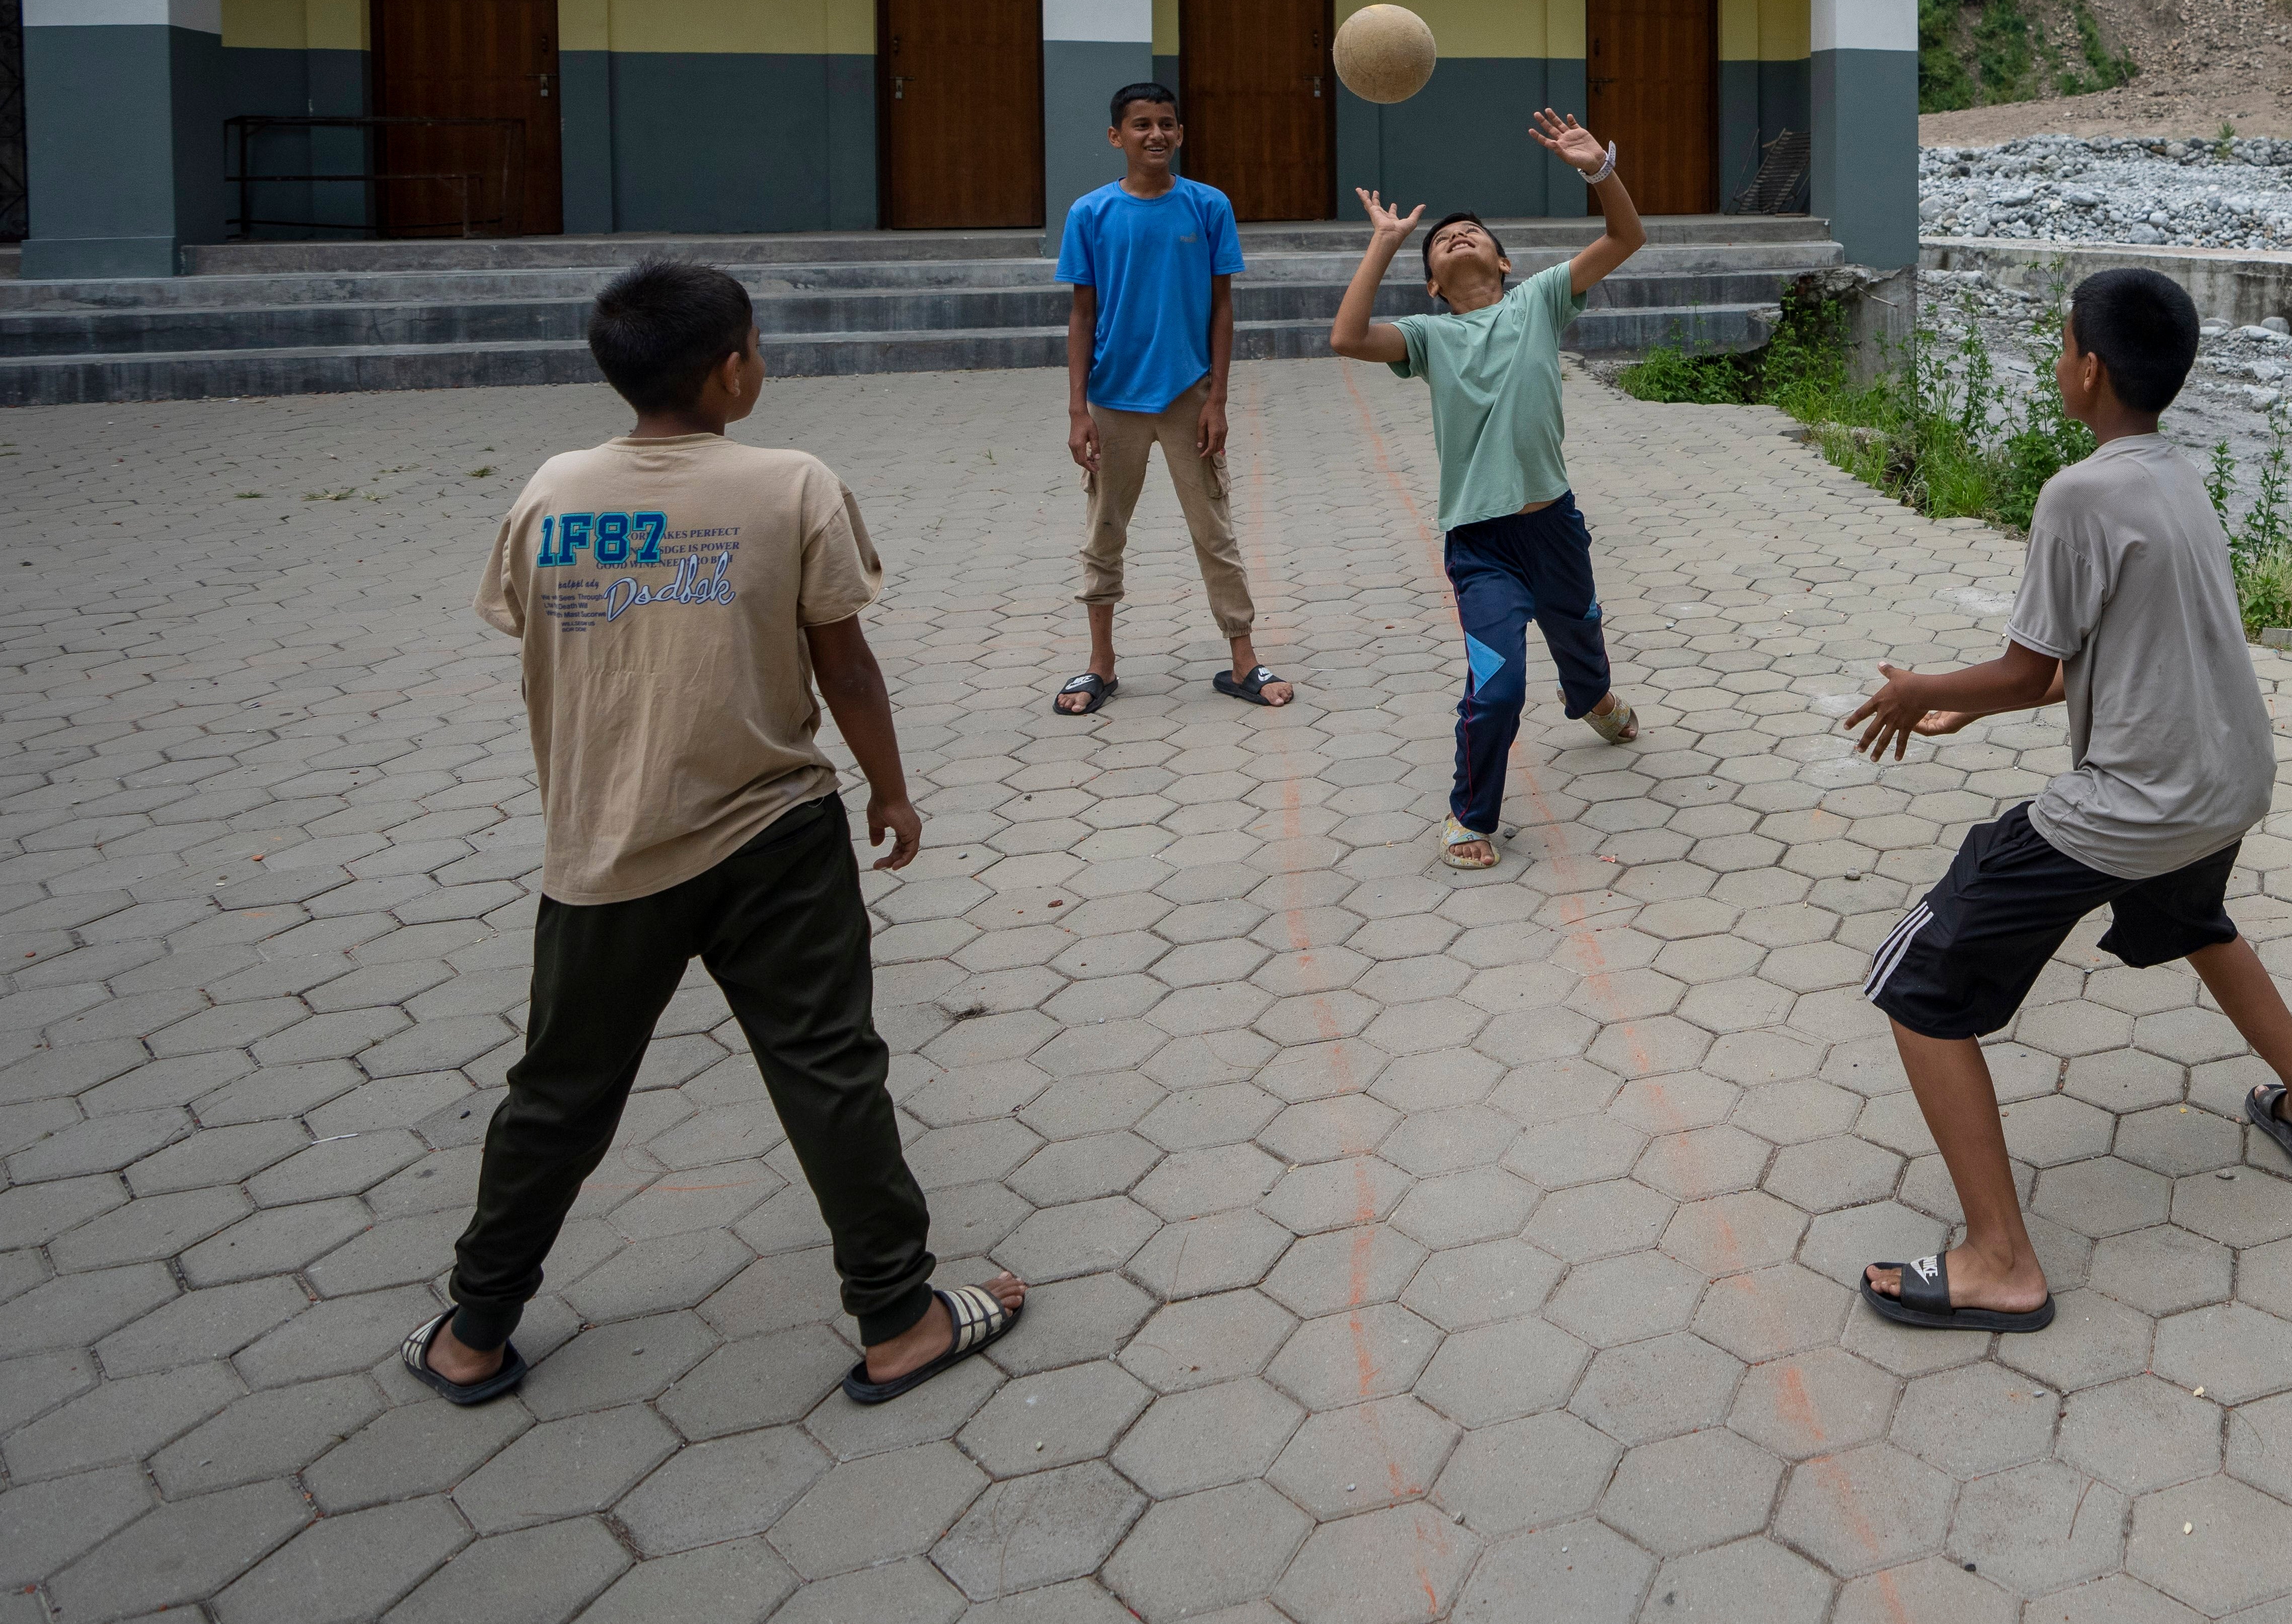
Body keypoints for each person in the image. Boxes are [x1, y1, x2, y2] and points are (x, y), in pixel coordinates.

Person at [411, 260, 1022, 1411]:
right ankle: (897, 1317)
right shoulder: (791, 483)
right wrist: (893, 790)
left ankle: (473, 1330)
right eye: (756, 345)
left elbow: (538, 633)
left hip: (603, 846)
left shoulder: (551, 491)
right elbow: (844, 663)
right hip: (773, 832)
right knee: (830, 1069)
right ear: (730, 368)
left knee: (557, 1092)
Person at [1837, 267, 2292, 1331]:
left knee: (1918, 985)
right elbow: (2082, 664)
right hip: (2227, 777)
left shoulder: (2076, 494)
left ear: (2088, 369)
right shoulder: (2172, 474)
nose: (2056, 359)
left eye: (2061, 343)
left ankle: (2000, 1261)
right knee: (2195, 921)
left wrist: (1919, 689)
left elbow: (2019, 667)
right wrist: (1967, 711)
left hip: (2142, 800)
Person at [1327, 108, 1650, 867]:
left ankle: (1592, 698)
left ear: (1504, 263)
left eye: (1472, 233)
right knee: (1497, 685)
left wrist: (1599, 171)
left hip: (1554, 526)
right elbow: (1347, 336)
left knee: (1580, 628)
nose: (1457, 236)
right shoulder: (1428, 337)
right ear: (1432, 284)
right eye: (1441, 241)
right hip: (1481, 545)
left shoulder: (1539, 300)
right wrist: (1383, 243)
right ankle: (1469, 815)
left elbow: (1626, 237)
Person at [1057, 81, 1287, 715]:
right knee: (1104, 532)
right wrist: (1078, 410)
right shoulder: (1090, 213)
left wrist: (1217, 399)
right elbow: (1081, 315)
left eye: (1166, 123)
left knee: (1214, 530)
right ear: (1116, 136)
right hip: (1113, 399)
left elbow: (1222, 307)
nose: (1154, 134)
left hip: (1190, 394)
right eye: (1141, 124)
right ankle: (1100, 663)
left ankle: (1243, 659)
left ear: (1180, 133)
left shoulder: (1208, 206)